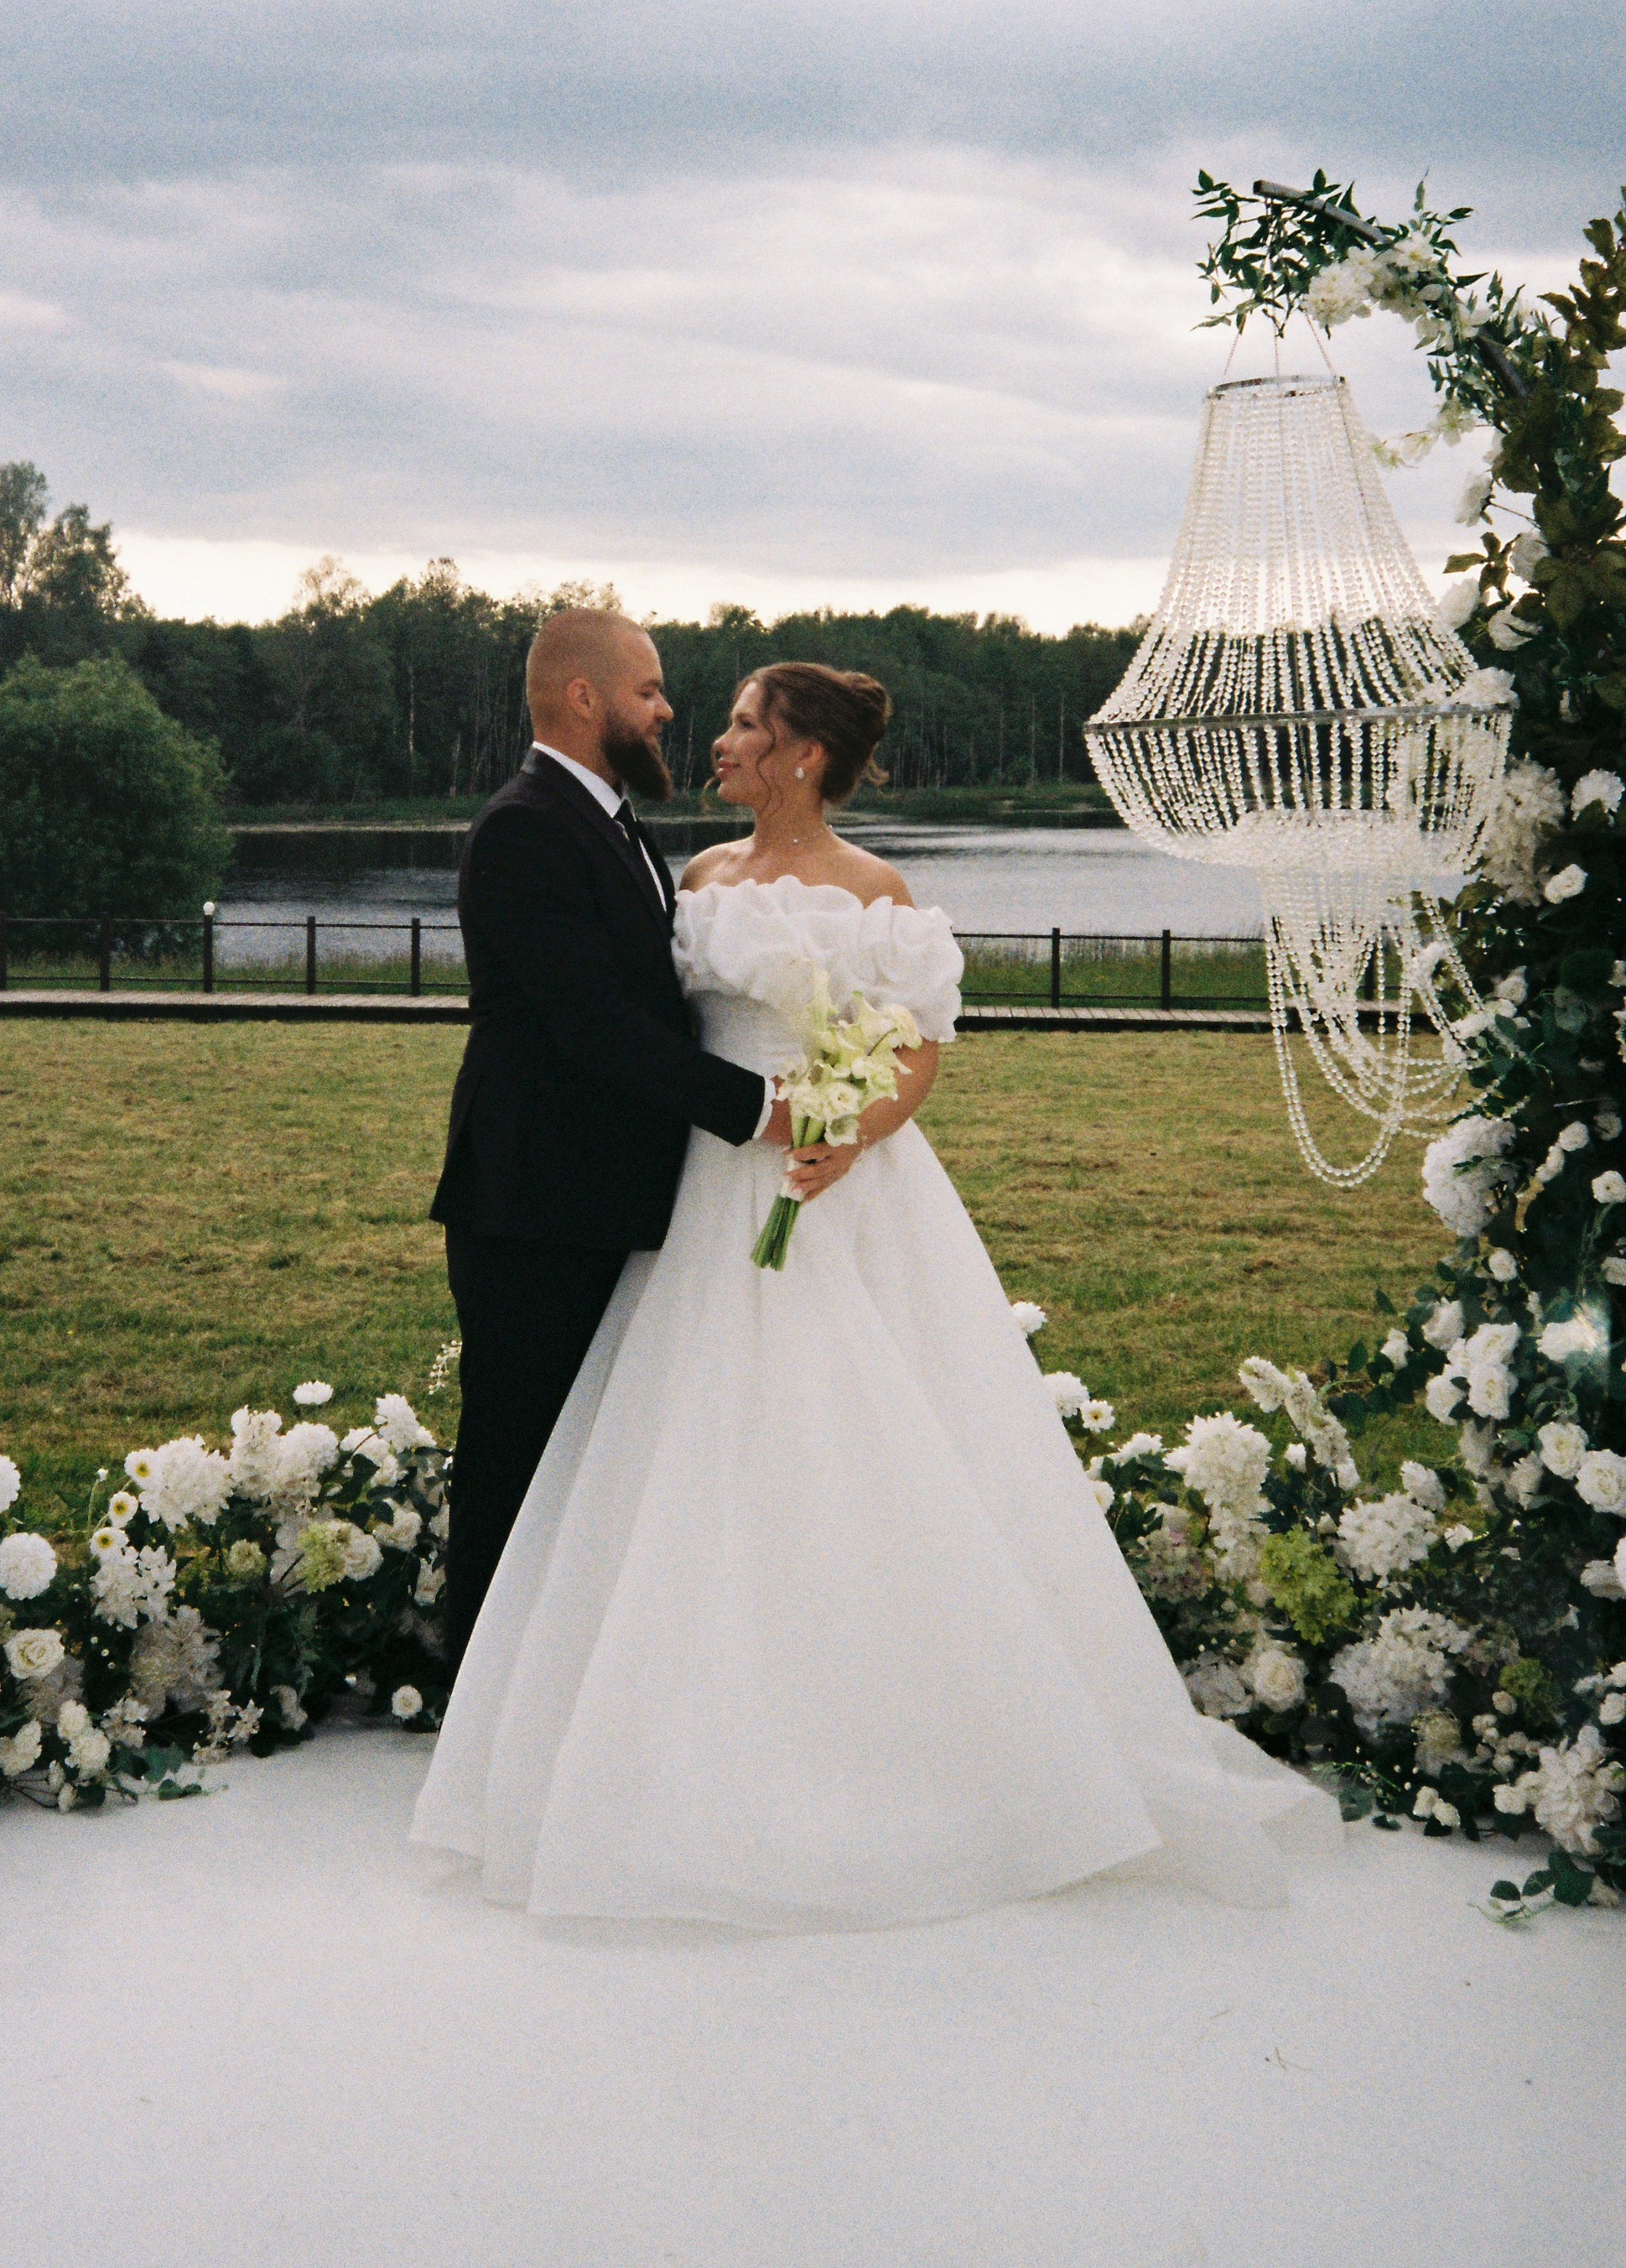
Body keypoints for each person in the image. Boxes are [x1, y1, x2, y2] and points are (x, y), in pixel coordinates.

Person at [414, 658, 1340, 1924]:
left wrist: (849, 1127)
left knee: (854, 1436)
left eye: (745, 723)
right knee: (686, 1441)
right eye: (723, 717)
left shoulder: (878, 893)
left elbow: (914, 1048)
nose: (721, 738)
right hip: (698, 1187)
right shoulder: (693, 878)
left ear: (801, 752)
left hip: (829, 1187)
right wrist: (755, 1114)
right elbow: (638, 1025)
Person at [430, 609, 797, 1672]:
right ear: (584, 698)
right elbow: (594, 1028)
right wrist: (761, 1109)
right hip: (534, 1207)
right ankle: (478, 1702)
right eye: (647, 689)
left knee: (582, 1461)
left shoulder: (611, 821)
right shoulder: (526, 825)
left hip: (606, 1203)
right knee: (514, 1460)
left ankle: (559, 1690)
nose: (667, 709)